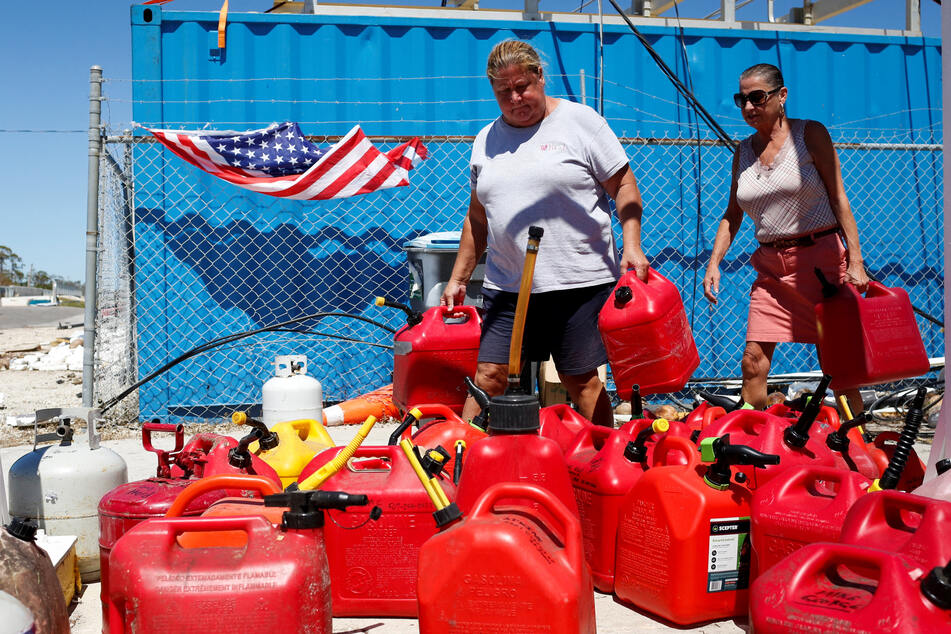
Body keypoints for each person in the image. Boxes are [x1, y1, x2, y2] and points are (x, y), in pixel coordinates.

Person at [441, 39, 649, 427]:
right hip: (507, 286)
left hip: (578, 284)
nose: (516, 98)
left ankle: (603, 462)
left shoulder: (580, 121)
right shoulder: (486, 139)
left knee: (581, 382)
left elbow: (623, 186)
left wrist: (632, 245)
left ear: (540, 76)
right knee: (489, 376)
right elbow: (478, 218)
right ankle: (463, 460)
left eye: (523, 86)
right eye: (504, 92)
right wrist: (458, 277)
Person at [703, 63, 869, 413]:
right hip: (772, 270)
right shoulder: (743, 151)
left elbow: (839, 198)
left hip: (822, 264)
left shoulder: (810, 135)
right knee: (753, 361)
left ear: (782, 96)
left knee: (838, 366)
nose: (748, 107)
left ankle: (859, 444)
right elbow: (733, 215)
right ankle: (754, 442)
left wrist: (856, 261)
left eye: (757, 97)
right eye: (741, 99)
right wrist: (713, 262)